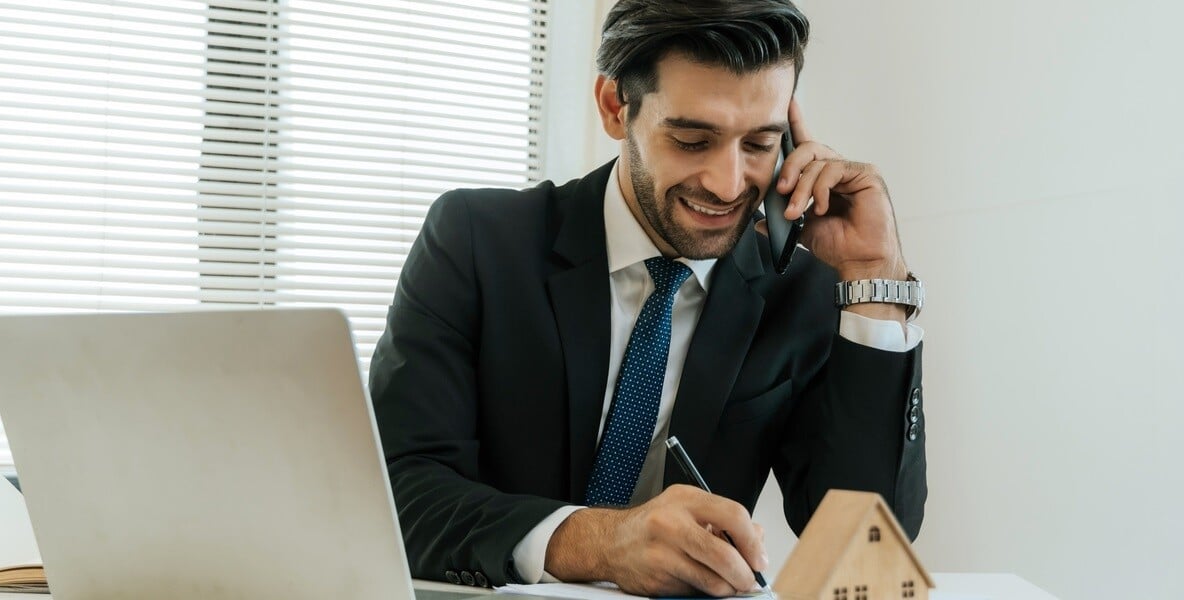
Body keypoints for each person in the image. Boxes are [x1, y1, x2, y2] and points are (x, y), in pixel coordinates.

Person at [369, 0, 927, 596]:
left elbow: (862, 546)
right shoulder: (476, 241)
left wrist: (874, 278)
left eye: (760, 144)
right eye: (692, 140)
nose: (728, 183)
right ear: (616, 106)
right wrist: (599, 542)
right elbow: (394, 492)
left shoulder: (800, 288)